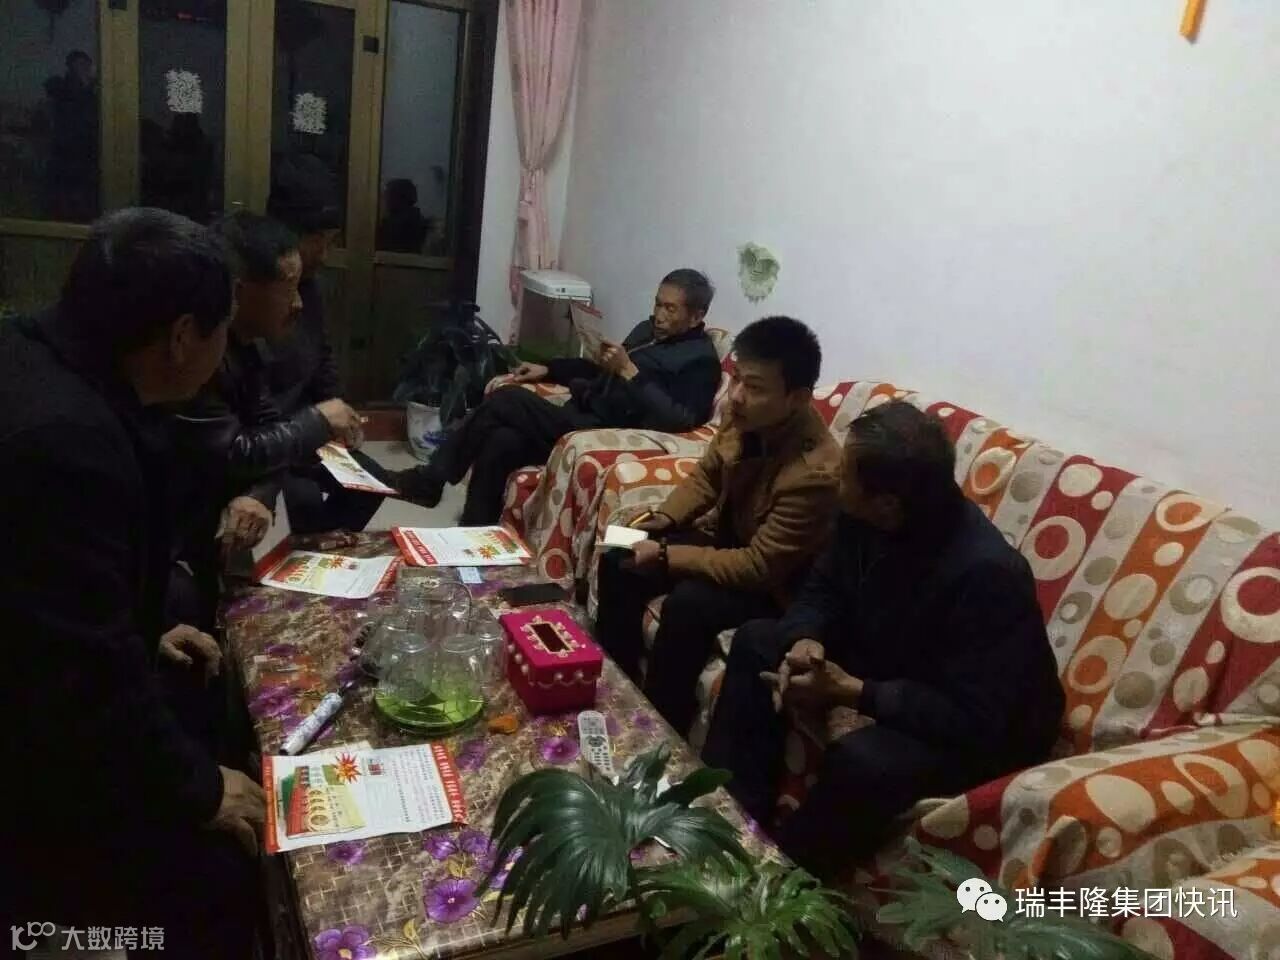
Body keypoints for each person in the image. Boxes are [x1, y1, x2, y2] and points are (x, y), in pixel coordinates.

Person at [1, 208, 265, 956]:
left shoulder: (33, 354)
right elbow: (76, 678)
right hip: (28, 771)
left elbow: (49, 600)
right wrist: (202, 789)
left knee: (199, 681)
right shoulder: (65, 444)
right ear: (182, 337)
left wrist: (138, 626)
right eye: (222, 331)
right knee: (228, 866)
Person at [702, 401, 1065, 878]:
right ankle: (728, 822)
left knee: (866, 761)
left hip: (982, 724)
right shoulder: (862, 515)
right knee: (757, 642)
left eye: (845, 473)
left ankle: (782, 883)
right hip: (896, 657)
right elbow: (823, 587)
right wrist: (806, 641)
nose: (834, 475)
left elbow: (977, 717)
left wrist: (855, 692)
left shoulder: (986, 574)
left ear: (887, 503)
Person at [594, 316, 841, 735]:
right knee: (623, 554)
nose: (736, 396)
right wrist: (664, 520)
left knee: (689, 604)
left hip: (776, 585)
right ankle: (612, 688)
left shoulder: (815, 473)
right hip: (730, 540)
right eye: (737, 378)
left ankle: (660, 727)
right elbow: (707, 475)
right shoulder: (742, 415)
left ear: (797, 397)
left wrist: (668, 554)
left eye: (755, 387)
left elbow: (758, 567)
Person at [397, 269, 724, 525]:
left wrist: (630, 373)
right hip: (582, 410)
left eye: (670, 308)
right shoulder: (646, 330)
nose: (659, 315)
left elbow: (681, 418)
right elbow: (599, 370)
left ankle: (431, 480)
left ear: (696, 316)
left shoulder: (700, 360)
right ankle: (473, 533)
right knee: (502, 440)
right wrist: (549, 369)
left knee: (507, 399)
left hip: (603, 430)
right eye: (657, 303)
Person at [175, 212, 367, 622]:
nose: (298, 304)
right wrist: (318, 420)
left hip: (216, 504)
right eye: (288, 289)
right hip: (173, 521)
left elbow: (267, 427)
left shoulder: (249, 346)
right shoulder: (199, 352)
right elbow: (234, 450)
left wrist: (259, 494)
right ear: (239, 292)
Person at [266, 153, 393, 532]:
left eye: (331, 242)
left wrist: (339, 413)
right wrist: (310, 425)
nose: (325, 254)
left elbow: (322, 358)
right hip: (266, 435)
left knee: (369, 482)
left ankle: (321, 554)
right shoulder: (258, 293)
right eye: (318, 242)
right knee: (303, 498)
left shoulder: (311, 289)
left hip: (306, 427)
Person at [44, 50, 99, 221]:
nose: (85, 68)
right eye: (80, 65)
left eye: (86, 65)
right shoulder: (63, 89)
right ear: (71, 67)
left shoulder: (93, 91)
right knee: (67, 200)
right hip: (67, 154)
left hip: (85, 154)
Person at [377, 177, 432, 253]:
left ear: (399, 198)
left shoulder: (402, 222)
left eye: (388, 195)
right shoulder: (414, 217)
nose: (385, 199)